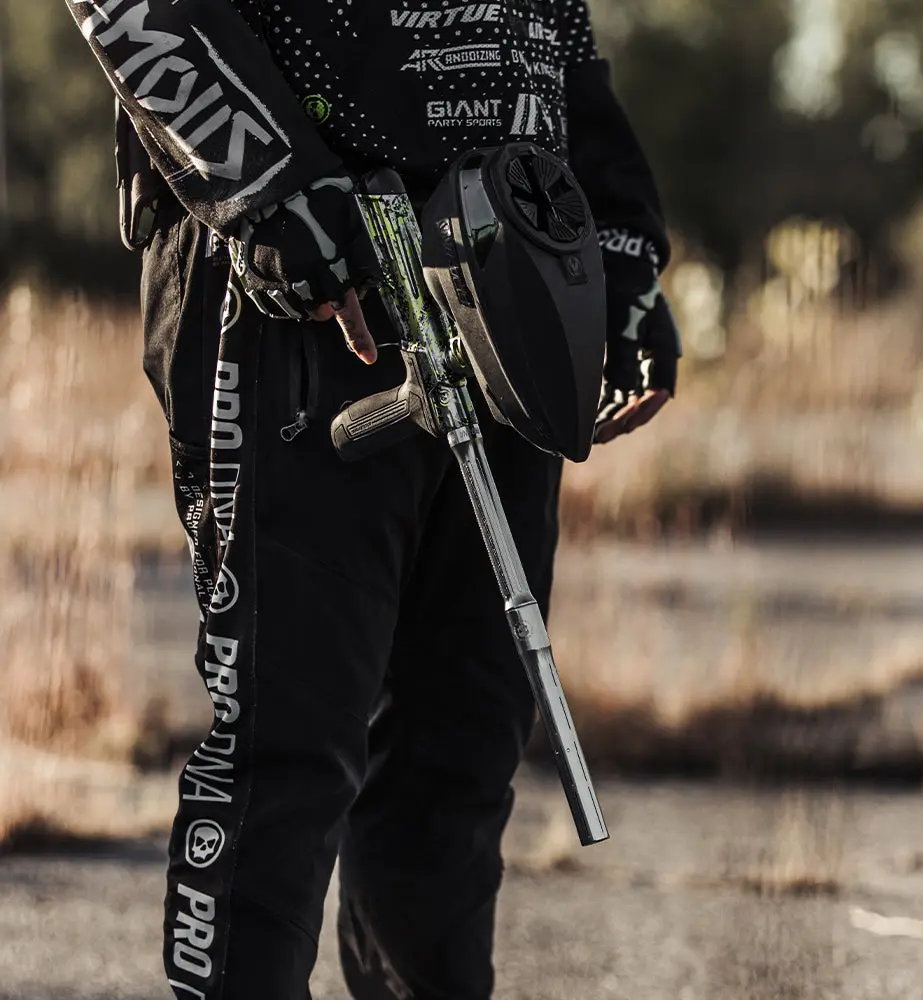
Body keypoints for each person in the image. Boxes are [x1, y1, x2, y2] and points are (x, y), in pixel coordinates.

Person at [65, 1, 682, 997]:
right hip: (296, 280)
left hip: (508, 261)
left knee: (460, 748)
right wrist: (271, 187)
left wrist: (618, 234)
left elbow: (559, 27)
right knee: (285, 756)